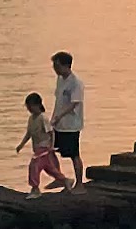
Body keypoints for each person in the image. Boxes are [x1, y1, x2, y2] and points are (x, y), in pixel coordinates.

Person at [16, 93, 68, 198]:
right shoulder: (31, 119)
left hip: (44, 148)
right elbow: (29, 133)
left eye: (30, 106)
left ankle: (35, 188)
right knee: (50, 169)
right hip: (37, 148)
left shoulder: (43, 118)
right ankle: (65, 180)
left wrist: (51, 147)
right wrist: (21, 145)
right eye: (28, 107)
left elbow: (51, 133)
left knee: (34, 166)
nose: (29, 109)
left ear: (37, 105)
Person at [51, 52, 85, 192]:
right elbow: (58, 101)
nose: (55, 68)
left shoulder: (76, 83)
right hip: (58, 123)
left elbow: (74, 104)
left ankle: (79, 184)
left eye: (57, 65)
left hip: (71, 125)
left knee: (74, 154)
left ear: (66, 65)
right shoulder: (60, 79)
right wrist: (54, 118)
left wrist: (60, 116)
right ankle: (61, 179)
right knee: (49, 150)